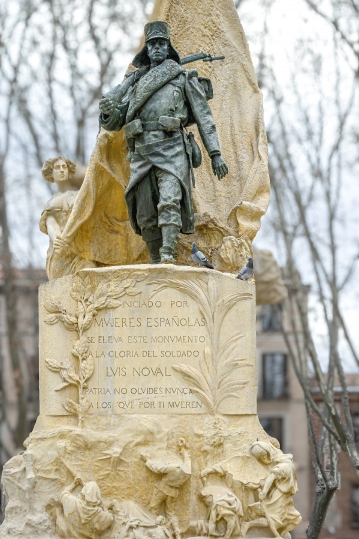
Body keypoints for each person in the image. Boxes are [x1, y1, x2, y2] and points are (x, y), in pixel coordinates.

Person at [99, 20, 228, 264]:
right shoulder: (136, 82)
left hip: (172, 149)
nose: (157, 48)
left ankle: (168, 255)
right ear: (147, 49)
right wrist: (108, 112)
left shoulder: (181, 77)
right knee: (145, 211)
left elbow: (204, 117)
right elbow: (117, 120)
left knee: (169, 201)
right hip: (142, 153)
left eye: (161, 43)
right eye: (153, 44)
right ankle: (156, 259)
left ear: (167, 47)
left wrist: (215, 154)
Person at [40, 157, 97, 280]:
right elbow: (51, 223)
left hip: (80, 252)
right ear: (51, 173)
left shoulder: (79, 196)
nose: (61, 170)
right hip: (59, 255)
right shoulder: (51, 203)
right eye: (57, 167)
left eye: (64, 167)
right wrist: (56, 238)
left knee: (89, 273)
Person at [242, 441, 302, 538]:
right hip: (279, 495)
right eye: (260, 458)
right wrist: (255, 486)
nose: (263, 460)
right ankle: (249, 525)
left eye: (263, 457)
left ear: (268, 452)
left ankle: (280, 534)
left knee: (294, 518)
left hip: (280, 496)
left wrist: (264, 493)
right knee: (273, 518)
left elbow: (270, 479)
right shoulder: (279, 464)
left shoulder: (284, 466)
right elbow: (266, 481)